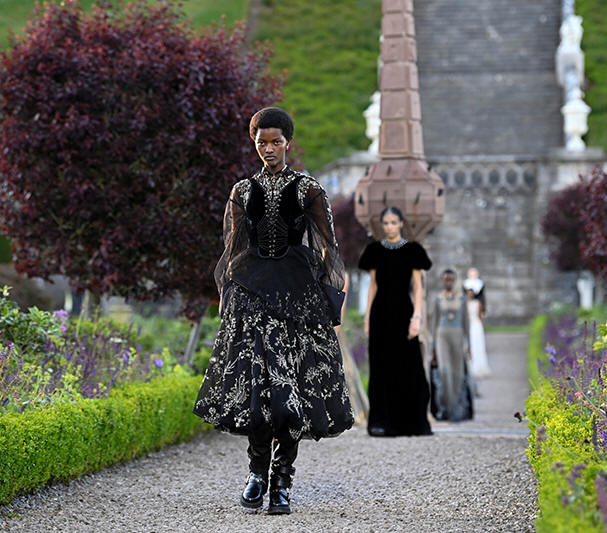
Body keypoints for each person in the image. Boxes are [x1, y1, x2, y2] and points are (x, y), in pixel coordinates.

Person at [193, 107, 353, 515]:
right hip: (251, 297)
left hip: (296, 299)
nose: (268, 148)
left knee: (288, 397)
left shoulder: (308, 189)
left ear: (288, 143)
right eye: (261, 142)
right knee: (257, 394)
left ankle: (282, 480)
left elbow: (327, 246)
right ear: (254, 143)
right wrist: (228, 298)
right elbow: (232, 250)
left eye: (276, 142)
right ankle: (256, 474)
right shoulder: (242, 191)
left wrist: (329, 300)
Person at [359, 206, 432, 437]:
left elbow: (418, 288)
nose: (389, 227)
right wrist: (367, 317)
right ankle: (381, 422)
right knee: (380, 366)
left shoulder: (413, 250)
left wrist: (417, 317)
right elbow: (373, 286)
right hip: (380, 315)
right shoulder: (374, 251)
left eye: (393, 222)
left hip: (404, 314)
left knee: (408, 366)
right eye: (386, 223)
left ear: (401, 223)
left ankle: (409, 422)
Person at [431, 269, 472, 421]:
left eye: (451, 280)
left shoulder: (462, 299)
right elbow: (434, 323)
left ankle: (455, 408)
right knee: (444, 371)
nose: (448, 282)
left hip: (458, 336)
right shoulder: (438, 299)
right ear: (442, 281)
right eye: (446, 279)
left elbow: (466, 322)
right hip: (442, 337)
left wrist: (469, 344)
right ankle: (445, 407)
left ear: (454, 281)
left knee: (457, 373)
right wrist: (432, 348)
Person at [465, 286, 491, 379]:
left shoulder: (478, 303)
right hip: (468, 325)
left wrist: (482, 327)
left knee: (478, 346)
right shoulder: (464, 304)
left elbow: (480, 316)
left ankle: (479, 367)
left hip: (476, 326)